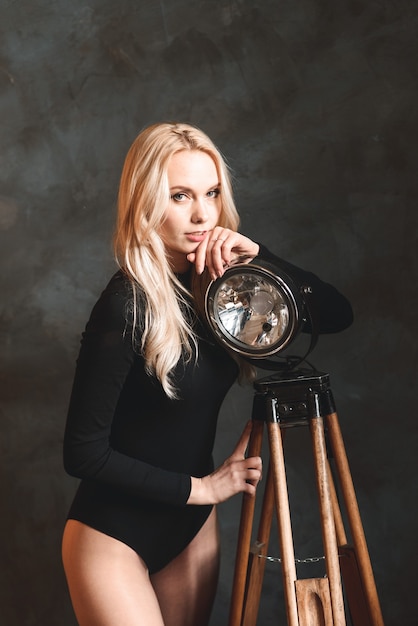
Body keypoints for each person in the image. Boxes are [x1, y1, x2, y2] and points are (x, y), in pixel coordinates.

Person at [62, 121, 353, 626]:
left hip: (190, 530)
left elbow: (336, 314)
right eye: (180, 196)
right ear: (147, 202)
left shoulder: (223, 286)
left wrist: (258, 255)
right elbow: (83, 452)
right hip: (113, 534)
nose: (202, 214)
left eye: (212, 193)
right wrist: (204, 490)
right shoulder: (126, 304)